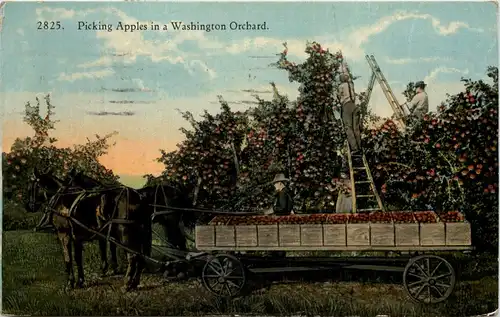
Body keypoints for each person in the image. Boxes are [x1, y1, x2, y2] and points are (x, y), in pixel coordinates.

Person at [339, 62, 362, 154]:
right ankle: (359, 147)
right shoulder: (351, 84)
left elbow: (338, 97)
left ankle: (354, 149)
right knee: (355, 128)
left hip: (347, 105)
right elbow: (347, 74)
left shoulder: (340, 86)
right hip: (355, 105)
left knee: (348, 128)